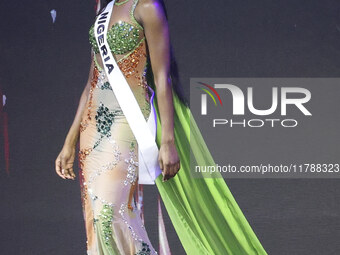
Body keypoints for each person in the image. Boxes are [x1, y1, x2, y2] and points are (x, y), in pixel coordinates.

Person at [55, 0, 268, 254]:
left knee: (111, 214)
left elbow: (162, 78)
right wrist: (69, 141)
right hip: (92, 127)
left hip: (126, 121)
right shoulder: (106, 10)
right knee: (97, 219)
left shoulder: (147, 6)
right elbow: (92, 81)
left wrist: (168, 142)